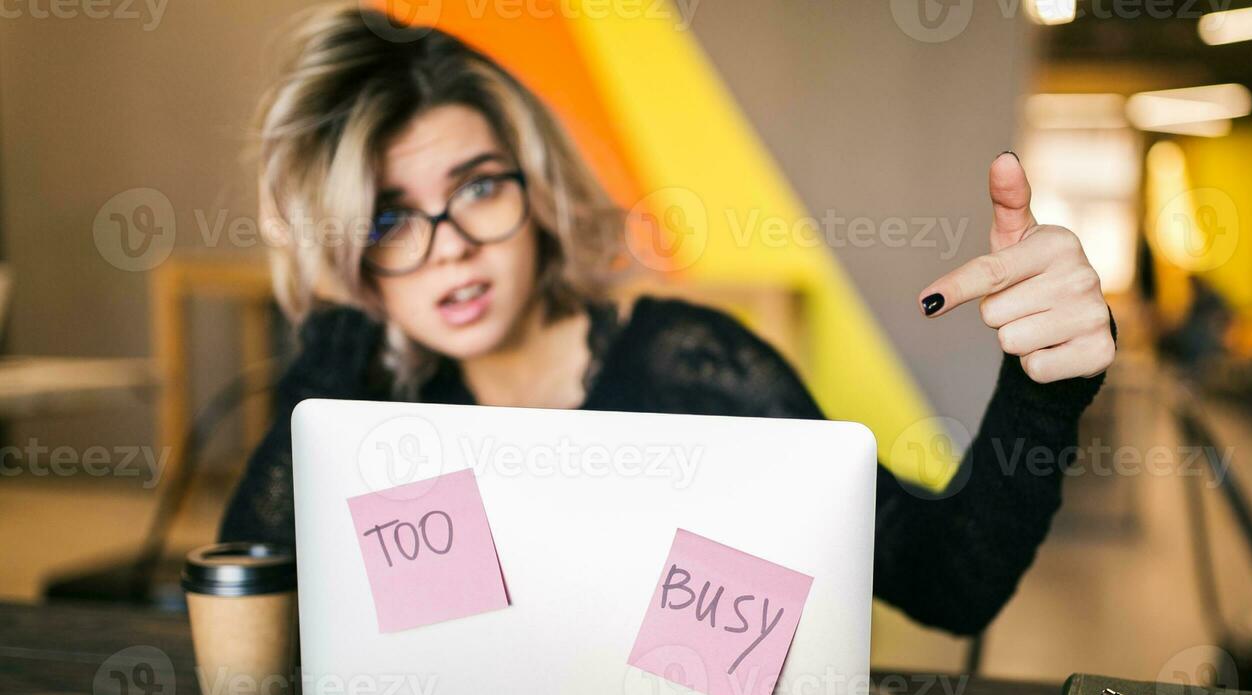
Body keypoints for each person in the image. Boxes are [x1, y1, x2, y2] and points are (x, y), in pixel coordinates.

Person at [220, 2, 1115, 637]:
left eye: (479, 187)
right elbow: (243, 627)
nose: (448, 245)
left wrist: (1048, 388)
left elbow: (950, 585)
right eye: (389, 218)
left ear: (538, 194)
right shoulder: (374, 413)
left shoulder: (695, 367)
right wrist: (339, 323)